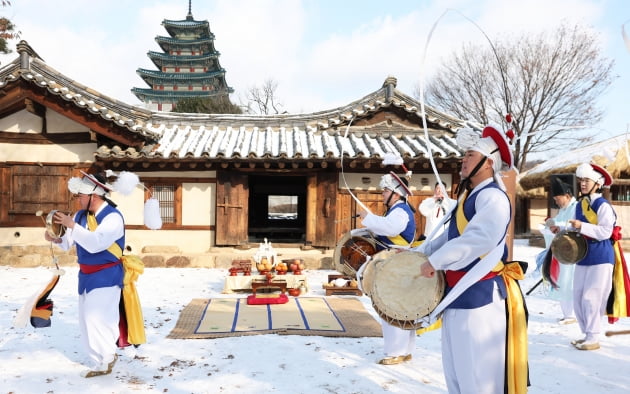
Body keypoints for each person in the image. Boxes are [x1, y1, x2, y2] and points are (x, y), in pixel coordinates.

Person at [417, 126, 528, 393]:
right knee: (457, 372)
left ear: (489, 162)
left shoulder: (493, 198)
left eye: (469, 154)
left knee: (477, 376)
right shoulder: (470, 195)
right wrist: (420, 255)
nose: (463, 160)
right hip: (458, 292)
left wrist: (436, 261)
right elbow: (452, 236)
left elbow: (478, 240)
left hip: (480, 295)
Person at [44, 171, 125, 377]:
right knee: (85, 319)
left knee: (98, 318)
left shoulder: (113, 218)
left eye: (81, 195)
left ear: (94, 196)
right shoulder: (80, 216)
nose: (78, 199)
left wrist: (71, 225)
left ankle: (105, 360)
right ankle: (102, 358)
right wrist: (56, 238)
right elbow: (69, 242)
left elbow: (96, 244)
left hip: (107, 275)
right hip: (86, 275)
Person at [358, 171, 417, 365]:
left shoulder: (400, 211)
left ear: (396, 194)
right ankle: (404, 350)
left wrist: (369, 218)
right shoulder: (396, 211)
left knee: (390, 306)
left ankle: (396, 352)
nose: (382, 194)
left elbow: (391, 229)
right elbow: (386, 227)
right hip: (394, 262)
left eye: (385, 190)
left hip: (395, 263)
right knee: (398, 307)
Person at [567, 163, 615, 351]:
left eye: (587, 180)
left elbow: (605, 231)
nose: (583, 184)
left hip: (601, 255)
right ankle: (586, 333)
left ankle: (593, 336)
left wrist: (581, 226)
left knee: (592, 297)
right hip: (583, 254)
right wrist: (562, 228)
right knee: (578, 295)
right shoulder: (580, 205)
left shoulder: (603, 205)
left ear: (597, 183)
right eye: (581, 181)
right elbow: (574, 226)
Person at [545, 177, 578, 324]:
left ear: (567, 195)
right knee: (563, 280)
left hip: (573, 250)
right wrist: (551, 225)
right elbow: (558, 223)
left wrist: (558, 226)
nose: (556, 202)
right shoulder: (563, 210)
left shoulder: (576, 207)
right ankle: (567, 314)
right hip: (562, 250)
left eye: (558, 198)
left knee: (569, 281)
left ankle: (571, 315)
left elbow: (573, 226)